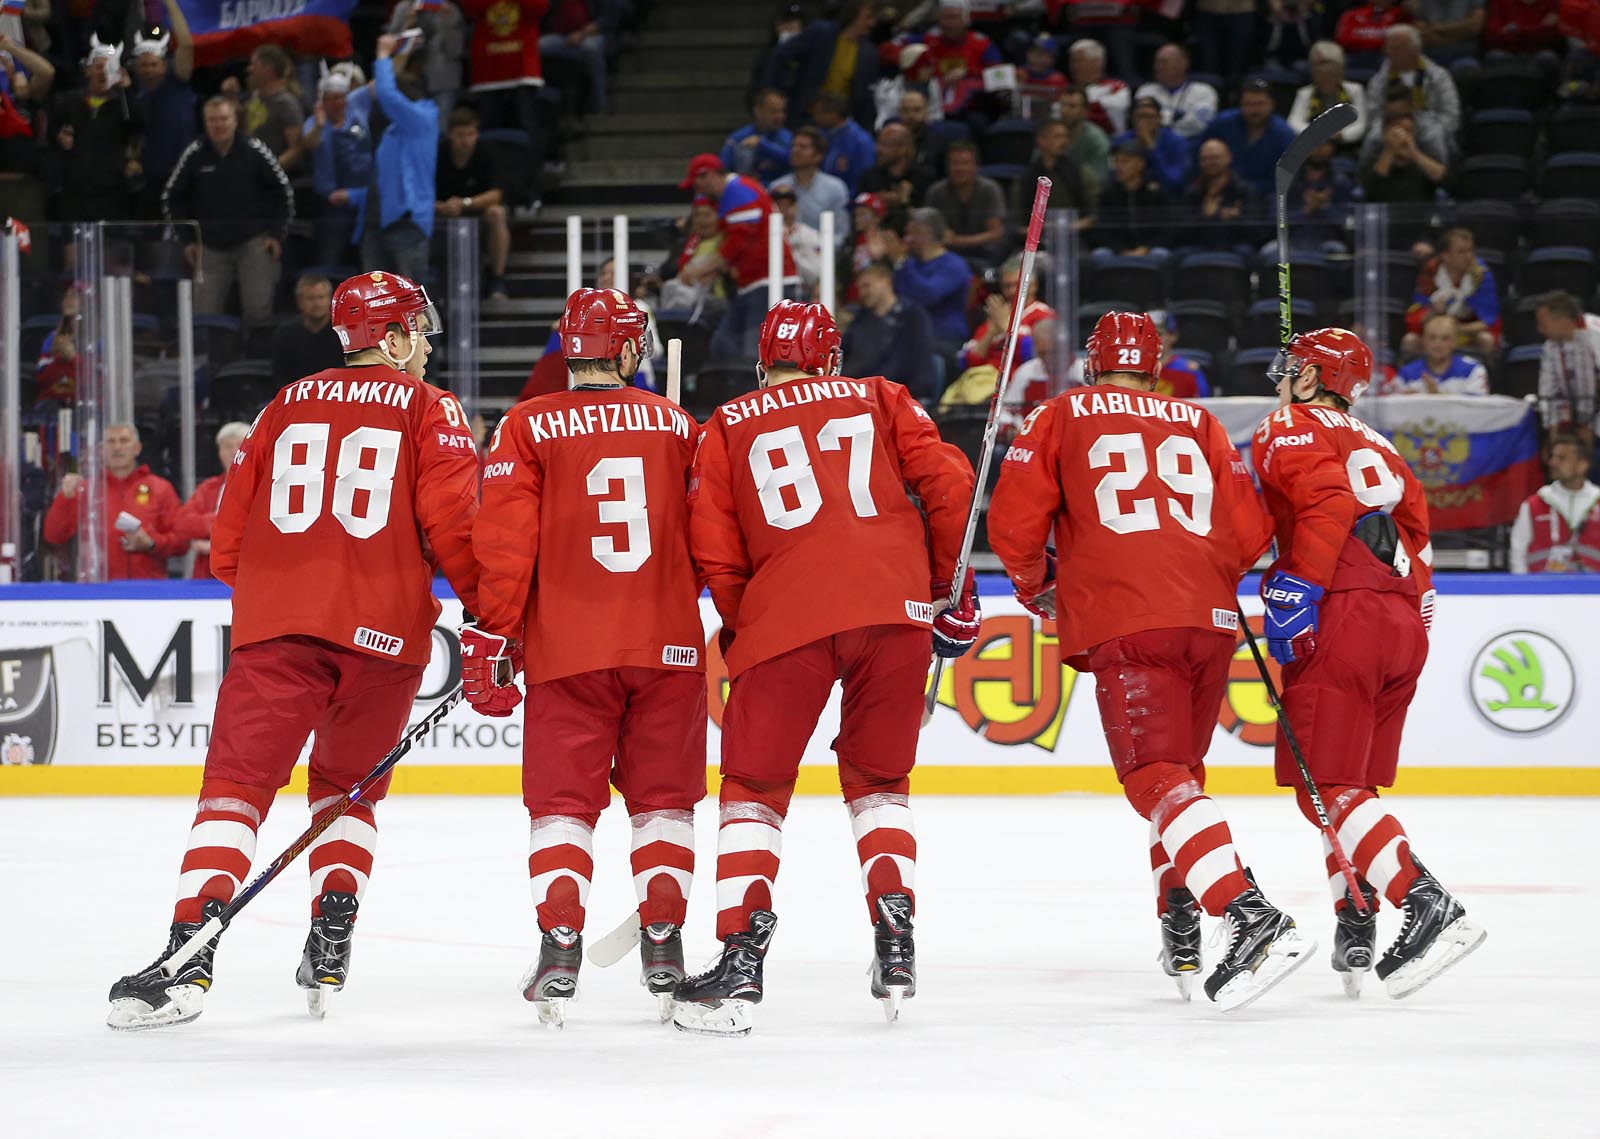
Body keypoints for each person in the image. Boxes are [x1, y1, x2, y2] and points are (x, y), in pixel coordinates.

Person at [105, 272, 484, 1030]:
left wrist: (281, 596)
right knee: (349, 789)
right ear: (399, 335)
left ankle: (188, 951)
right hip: (385, 639)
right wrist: (492, 615)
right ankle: (331, 936)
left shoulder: (283, 405)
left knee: (236, 788)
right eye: (420, 331)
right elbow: (459, 532)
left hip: (278, 633)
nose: (426, 349)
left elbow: (228, 543)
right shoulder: (431, 407)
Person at [987, 311, 1312, 1010]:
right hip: (1210, 621)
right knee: (1181, 781)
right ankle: (1183, 922)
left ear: (1092, 364)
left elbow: (1013, 522)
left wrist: (1039, 586)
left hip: (1130, 618)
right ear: (1157, 368)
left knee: (1153, 777)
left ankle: (1244, 910)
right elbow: (1253, 533)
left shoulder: (1062, 412)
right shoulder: (1199, 422)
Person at [675, 300, 977, 1036]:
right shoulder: (879, 395)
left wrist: (753, 620)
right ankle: (896, 937)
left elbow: (715, 548)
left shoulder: (728, 425)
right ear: (831, 360)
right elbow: (952, 485)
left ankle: (742, 957)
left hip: (788, 617)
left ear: (762, 363)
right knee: (880, 783)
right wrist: (944, 590)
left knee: (754, 787)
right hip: (893, 610)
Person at [470, 287, 705, 1027]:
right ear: (631, 350)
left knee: (563, 804)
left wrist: (494, 632)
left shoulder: (528, 424)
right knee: (664, 800)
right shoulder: (676, 423)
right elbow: (710, 537)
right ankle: (663, 943)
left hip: (567, 647)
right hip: (666, 643)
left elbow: (506, 548)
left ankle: (561, 941)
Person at [1253, 327, 1485, 999]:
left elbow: (1309, 508)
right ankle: (1357, 913)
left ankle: (1427, 901)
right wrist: (1411, 626)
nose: (1282, 377)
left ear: (1312, 377)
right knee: (1350, 783)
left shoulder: (1286, 426)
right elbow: (1419, 540)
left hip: (1343, 610)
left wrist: (1299, 586)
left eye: (1293, 367)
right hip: (1402, 618)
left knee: (1321, 785)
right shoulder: (1384, 446)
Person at [162, 96, 293, 329]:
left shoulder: (254, 149)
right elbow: (172, 197)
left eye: (224, 119)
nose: (218, 125)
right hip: (209, 245)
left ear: (235, 121)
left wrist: (275, 233)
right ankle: (207, 362)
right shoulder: (195, 152)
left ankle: (256, 363)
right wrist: (187, 239)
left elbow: (283, 192)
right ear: (205, 123)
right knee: (203, 314)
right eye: (212, 120)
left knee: (258, 311)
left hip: (254, 240)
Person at [679, 152, 797, 363]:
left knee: (753, 351)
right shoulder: (736, 192)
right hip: (752, 284)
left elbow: (737, 242)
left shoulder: (738, 191)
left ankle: (758, 394)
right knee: (724, 345)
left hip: (767, 282)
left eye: (698, 184)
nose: (699, 192)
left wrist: (699, 269)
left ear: (708, 176)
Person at [42, 422, 185, 579]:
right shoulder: (87, 490)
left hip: (148, 593)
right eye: (111, 442)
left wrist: (152, 543)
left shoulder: (160, 489)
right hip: (99, 591)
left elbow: (182, 542)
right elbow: (53, 535)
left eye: (123, 441)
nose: (117, 447)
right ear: (102, 451)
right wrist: (65, 498)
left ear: (137, 448)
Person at [362, 33, 440, 288]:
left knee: (412, 303)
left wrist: (383, 55)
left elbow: (386, 94)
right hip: (377, 223)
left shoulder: (424, 119)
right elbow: (381, 181)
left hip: (407, 224)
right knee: (377, 305)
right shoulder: (391, 133)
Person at [49, 36, 144, 227]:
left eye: (109, 67)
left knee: (111, 250)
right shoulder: (68, 101)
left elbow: (139, 125)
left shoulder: (123, 104)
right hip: (74, 191)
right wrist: (58, 137)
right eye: (99, 66)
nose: (104, 72)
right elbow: (50, 132)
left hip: (110, 192)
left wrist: (127, 91)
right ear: (88, 70)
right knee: (71, 252)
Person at [435, 104, 512, 300]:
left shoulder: (486, 152)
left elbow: (496, 194)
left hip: (474, 207)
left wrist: (466, 203)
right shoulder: (438, 153)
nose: (466, 141)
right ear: (451, 134)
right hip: (443, 210)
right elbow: (421, 195)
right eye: (461, 135)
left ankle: (497, 278)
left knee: (497, 213)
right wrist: (442, 207)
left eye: (471, 134)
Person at [764, 1, 880, 130]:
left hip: (840, 122)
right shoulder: (821, 32)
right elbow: (780, 55)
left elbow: (865, 97)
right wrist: (781, 88)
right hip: (805, 116)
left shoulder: (869, 52)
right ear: (852, 15)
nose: (872, 23)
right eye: (868, 18)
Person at [129, 2, 195, 220]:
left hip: (183, 176)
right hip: (151, 180)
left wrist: (170, 3)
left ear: (164, 66)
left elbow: (186, 45)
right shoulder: (137, 99)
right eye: (144, 65)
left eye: (153, 65)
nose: (148, 70)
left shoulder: (176, 83)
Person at [303, 62, 373, 267]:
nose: (338, 103)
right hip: (333, 203)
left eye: (341, 97)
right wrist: (319, 125)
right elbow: (309, 143)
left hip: (363, 198)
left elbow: (378, 85)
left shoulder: (356, 105)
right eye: (332, 99)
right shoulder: (314, 122)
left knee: (367, 259)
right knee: (330, 257)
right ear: (322, 100)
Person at [842, 261, 937, 402]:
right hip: (861, 396)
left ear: (886, 281)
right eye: (860, 288)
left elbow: (920, 363)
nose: (862, 293)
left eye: (867, 286)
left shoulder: (912, 317)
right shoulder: (860, 321)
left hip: (900, 396)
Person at [1509, 432, 1600, 573]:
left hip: (1593, 592)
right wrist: (1524, 590)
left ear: (1582, 465)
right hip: (1543, 591)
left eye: (1561, 458)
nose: (1552, 462)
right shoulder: (1533, 504)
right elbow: (1517, 554)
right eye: (1552, 457)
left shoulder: (1598, 500)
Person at [887, 207, 973, 356]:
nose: (907, 239)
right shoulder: (910, 263)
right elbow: (896, 297)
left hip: (943, 337)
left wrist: (901, 262)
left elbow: (927, 296)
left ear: (926, 232)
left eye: (911, 233)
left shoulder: (953, 265)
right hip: (910, 334)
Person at [1402, 228, 1500, 359]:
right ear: (1445, 256)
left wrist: (1454, 330)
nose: (1469, 256)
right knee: (1410, 340)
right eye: (1461, 252)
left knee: (1486, 339)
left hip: (1467, 332)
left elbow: (1488, 320)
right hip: (1435, 331)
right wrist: (1433, 312)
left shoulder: (1481, 274)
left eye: (1470, 250)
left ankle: (1486, 377)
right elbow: (1415, 316)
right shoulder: (1430, 271)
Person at [1364, 24, 1461, 151]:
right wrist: (1393, 132)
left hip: (1431, 131)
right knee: (1373, 138)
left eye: (1396, 48)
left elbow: (1451, 115)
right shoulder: (1378, 81)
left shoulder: (1439, 77)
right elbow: (1374, 115)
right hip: (1391, 132)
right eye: (1388, 47)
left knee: (1435, 137)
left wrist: (1425, 131)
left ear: (1414, 50)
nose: (1389, 52)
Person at [173, 421, 250, 580]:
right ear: (219, 452)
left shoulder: (264, 487)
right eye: (227, 446)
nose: (234, 452)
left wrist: (214, 545)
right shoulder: (208, 488)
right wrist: (220, 523)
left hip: (247, 575)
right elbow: (182, 523)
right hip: (207, 579)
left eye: (240, 445)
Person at [959, 253, 1054, 378]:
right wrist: (991, 333)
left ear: (1034, 286)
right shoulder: (998, 314)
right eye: (1006, 286)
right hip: (983, 381)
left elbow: (1033, 357)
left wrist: (1006, 327)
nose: (1011, 291)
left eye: (1016, 285)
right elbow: (968, 362)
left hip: (1017, 383)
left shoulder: (1044, 315)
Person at [1202, 79, 1296, 198]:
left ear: (1272, 104)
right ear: (1240, 104)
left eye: (1260, 104)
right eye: (1248, 104)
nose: (1254, 110)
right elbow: (1201, 157)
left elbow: (1285, 180)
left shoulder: (1284, 134)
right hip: (1221, 192)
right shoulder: (1221, 124)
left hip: (1264, 199)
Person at [925, 139, 1005, 266]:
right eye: (955, 163)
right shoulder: (936, 192)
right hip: (947, 253)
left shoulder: (989, 189)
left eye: (965, 163)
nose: (960, 168)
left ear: (976, 167)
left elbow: (995, 233)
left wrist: (957, 240)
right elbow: (932, 233)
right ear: (947, 167)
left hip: (983, 252)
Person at [1535, 290, 1600, 443]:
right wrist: (1555, 439)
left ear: (1563, 321)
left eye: (1543, 324)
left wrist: (1594, 429)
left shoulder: (1597, 334)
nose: (1540, 330)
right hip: (1576, 422)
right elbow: (1548, 392)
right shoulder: (1550, 347)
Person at [918, 0, 1000, 118]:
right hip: (932, 103)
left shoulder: (981, 43)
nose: (949, 23)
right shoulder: (929, 41)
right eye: (945, 18)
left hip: (972, 107)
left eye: (953, 18)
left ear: (966, 20)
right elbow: (892, 48)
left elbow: (998, 73)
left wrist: (968, 72)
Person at [770, 126, 850, 246]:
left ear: (818, 156)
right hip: (784, 254)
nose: (795, 150)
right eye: (794, 146)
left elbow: (840, 233)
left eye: (803, 147)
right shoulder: (776, 187)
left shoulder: (835, 188)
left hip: (821, 254)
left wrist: (819, 250)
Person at [1091, 139, 1171, 258]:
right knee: (1099, 255)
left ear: (1140, 164)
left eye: (1124, 162)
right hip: (1117, 251)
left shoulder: (1156, 193)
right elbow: (1102, 230)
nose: (1118, 167)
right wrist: (1121, 250)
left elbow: (1167, 229)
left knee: (1161, 254)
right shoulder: (1108, 193)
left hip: (1148, 249)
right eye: (1116, 162)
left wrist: (1146, 248)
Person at [1181, 139, 1259, 253]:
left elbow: (1259, 232)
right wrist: (1205, 217)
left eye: (1215, 157)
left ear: (1229, 158)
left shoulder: (1245, 191)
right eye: (1204, 159)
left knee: (1246, 252)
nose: (1210, 162)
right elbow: (1179, 233)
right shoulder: (1192, 192)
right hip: (1198, 246)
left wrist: (1236, 219)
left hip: (1235, 245)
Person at [1014, 118, 1095, 227]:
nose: (1064, 141)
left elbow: (1092, 215)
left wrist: (1073, 226)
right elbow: (1018, 221)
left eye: (1066, 136)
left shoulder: (1078, 172)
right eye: (1057, 137)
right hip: (1037, 237)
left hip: (1074, 233)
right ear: (1041, 140)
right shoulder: (1027, 177)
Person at [1360, 103, 1447, 204]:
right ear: (1384, 132)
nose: (1403, 136)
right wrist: (1390, 150)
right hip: (1384, 218)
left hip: (1420, 217)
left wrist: (1414, 153)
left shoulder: (1424, 156)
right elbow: (1371, 192)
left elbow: (1444, 180)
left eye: (1408, 131)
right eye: (1398, 132)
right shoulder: (1373, 158)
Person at [1288, 41, 1368, 146]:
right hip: (1313, 146)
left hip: (1345, 145)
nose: (1316, 68)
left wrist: (1341, 135)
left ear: (1338, 65)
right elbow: (1293, 123)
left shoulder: (1355, 90)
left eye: (1323, 63)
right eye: (1313, 63)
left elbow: (1361, 125)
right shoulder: (1304, 93)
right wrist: (1319, 133)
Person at [271, 274, 343, 391]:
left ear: (330, 300)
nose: (317, 303)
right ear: (299, 302)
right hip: (298, 398)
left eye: (321, 297)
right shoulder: (286, 334)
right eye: (311, 298)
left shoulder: (343, 333)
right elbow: (282, 378)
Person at [1388, 314, 1489, 395]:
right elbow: (1391, 407)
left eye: (1445, 338)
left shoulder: (1473, 370)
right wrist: (1404, 400)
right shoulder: (1406, 373)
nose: (1438, 344)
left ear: (1455, 341)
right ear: (1423, 341)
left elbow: (1477, 410)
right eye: (1432, 337)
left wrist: (1437, 395)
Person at [1134, 44, 1217, 141]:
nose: (1158, 67)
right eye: (1156, 62)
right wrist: (1176, 118)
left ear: (1183, 64)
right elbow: (1143, 123)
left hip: (1191, 143)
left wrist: (1163, 125)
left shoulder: (1204, 91)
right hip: (1152, 142)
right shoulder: (1146, 91)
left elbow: (1199, 125)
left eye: (1164, 62)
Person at [539, 0, 608, 115]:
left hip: (589, 36)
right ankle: (541, 98)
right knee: (534, 47)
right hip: (561, 37)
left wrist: (581, 34)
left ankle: (598, 101)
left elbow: (606, 19)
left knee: (591, 49)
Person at [243, 44, 304, 173]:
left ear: (268, 69)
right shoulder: (254, 96)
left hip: (273, 177)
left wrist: (270, 169)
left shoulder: (286, 104)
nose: (249, 69)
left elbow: (295, 149)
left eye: (254, 64)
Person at [1112, 95, 1189, 196]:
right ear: (1132, 119)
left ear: (1159, 118)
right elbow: (1113, 177)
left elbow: (1173, 182)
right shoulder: (1121, 142)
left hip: (1165, 198)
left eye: (1149, 117)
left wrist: (1151, 147)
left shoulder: (1176, 142)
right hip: (1127, 196)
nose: (1144, 121)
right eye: (1140, 117)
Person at [856, 120, 935, 210]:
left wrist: (903, 201)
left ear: (903, 149)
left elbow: (926, 218)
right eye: (878, 143)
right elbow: (860, 211)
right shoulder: (869, 177)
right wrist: (877, 200)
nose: (878, 149)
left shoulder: (923, 177)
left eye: (885, 145)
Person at [721, 87, 793, 184]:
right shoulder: (737, 138)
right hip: (746, 191)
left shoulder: (788, 137)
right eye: (774, 112)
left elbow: (792, 159)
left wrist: (762, 144)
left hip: (780, 192)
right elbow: (723, 170)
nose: (780, 116)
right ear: (758, 110)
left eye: (782, 111)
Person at [809, 92, 875, 196]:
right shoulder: (821, 134)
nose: (815, 118)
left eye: (819, 114)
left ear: (833, 114)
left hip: (846, 200)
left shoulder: (860, 141)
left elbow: (863, 180)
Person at [1056, 86, 1110, 197]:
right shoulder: (1051, 134)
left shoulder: (1096, 138)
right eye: (1062, 105)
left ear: (1085, 111)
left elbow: (1101, 180)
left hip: (1087, 196)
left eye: (1072, 106)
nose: (1065, 111)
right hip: (1055, 193)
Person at [1067, 38, 1129, 134]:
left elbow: (1104, 115)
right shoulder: (1067, 88)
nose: (1073, 66)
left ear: (1097, 63)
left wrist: (1072, 108)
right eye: (1072, 61)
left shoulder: (1116, 87)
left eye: (1078, 61)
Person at [770, 184, 823, 296]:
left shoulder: (810, 234)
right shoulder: (764, 235)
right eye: (779, 206)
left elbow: (816, 273)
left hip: (801, 293)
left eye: (788, 205)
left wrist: (790, 252)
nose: (783, 210)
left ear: (796, 207)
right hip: (768, 292)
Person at [1152, 309, 1211, 398]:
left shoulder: (1190, 371)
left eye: (1158, 334)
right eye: (1147, 334)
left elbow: (1204, 406)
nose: (1152, 339)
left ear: (1173, 336)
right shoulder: (1133, 371)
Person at [1416, 0, 1486, 63]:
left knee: (1467, 68)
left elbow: (1474, 27)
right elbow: (1422, 33)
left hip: (1464, 54)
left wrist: (1437, 29)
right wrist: (1459, 31)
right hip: (1431, 55)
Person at [1336, 0, 1414, 54]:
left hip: (1386, 57)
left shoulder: (1401, 15)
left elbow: (1400, 42)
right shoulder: (1351, 14)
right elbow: (1343, 39)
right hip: (1354, 56)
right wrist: (1379, 44)